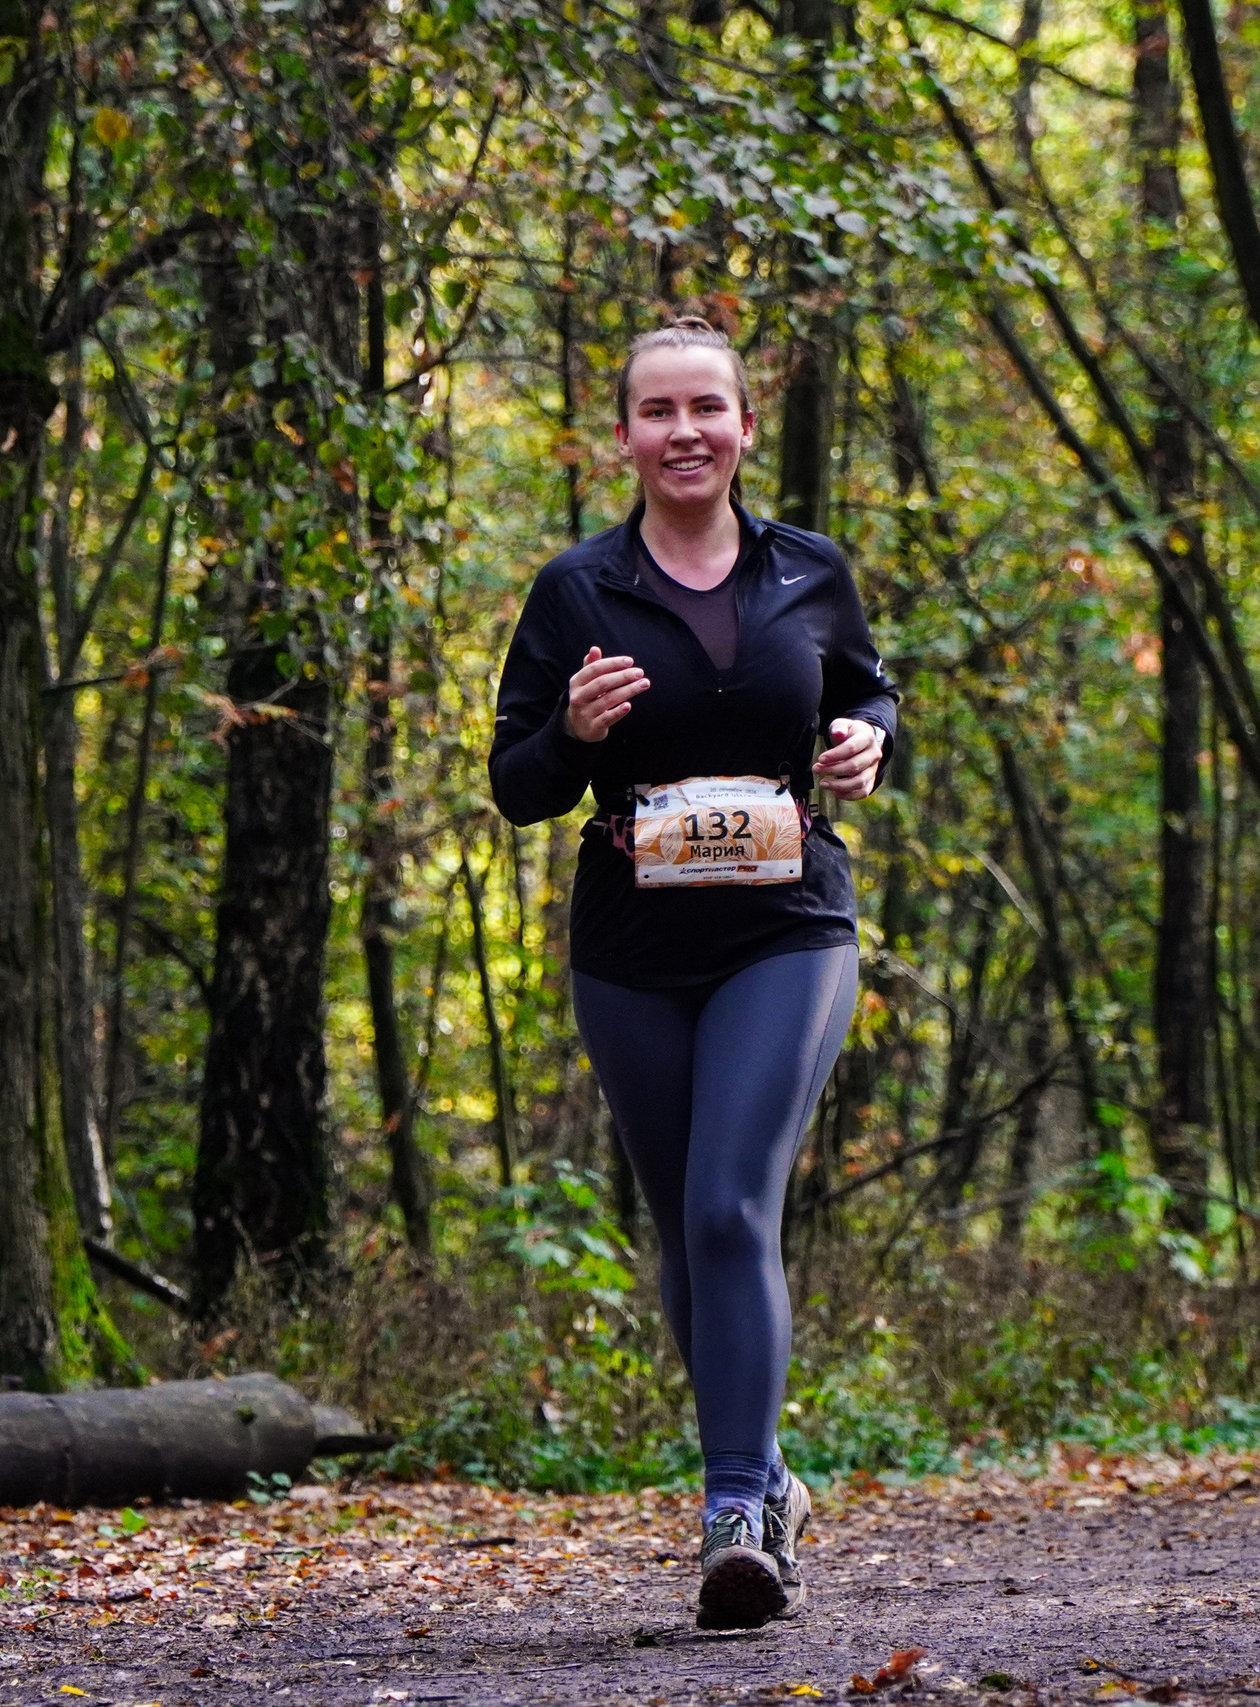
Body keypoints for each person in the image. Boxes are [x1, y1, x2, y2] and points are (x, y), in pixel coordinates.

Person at [487, 317, 898, 1630]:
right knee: (685, 1232)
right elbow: (515, 785)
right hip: (634, 948)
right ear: (625, 434)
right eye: (658, 411)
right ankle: (771, 1473)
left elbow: (872, 694)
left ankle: (732, 1511)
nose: (684, 432)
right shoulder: (578, 592)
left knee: (731, 1204)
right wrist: (573, 730)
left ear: (743, 426)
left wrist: (864, 742)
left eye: (706, 408)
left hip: (788, 926)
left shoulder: (810, 572)